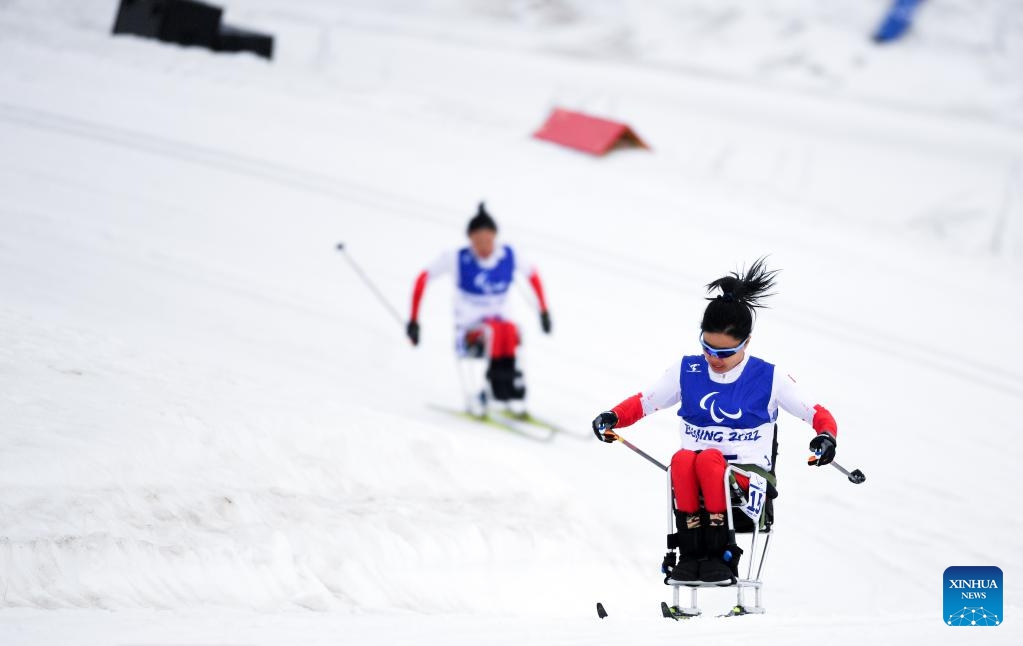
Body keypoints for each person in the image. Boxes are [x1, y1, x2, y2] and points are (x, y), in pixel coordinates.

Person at [591, 258, 839, 586]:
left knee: (709, 460)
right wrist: (613, 417)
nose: (714, 359)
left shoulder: (768, 377)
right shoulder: (688, 371)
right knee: (682, 459)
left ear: (746, 342)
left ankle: (723, 555)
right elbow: (644, 402)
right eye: (707, 348)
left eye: (725, 353)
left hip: (749, 484)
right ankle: (691, 556)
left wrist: (826, 437)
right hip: (694, 477)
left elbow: (816, 413)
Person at [407, 202, 552, 417]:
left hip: (502, 329)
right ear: (470, 240)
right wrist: (414, 320)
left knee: (511, 329)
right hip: (469, 332)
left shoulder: (508, 255)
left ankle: (511, 392)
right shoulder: (457, 258)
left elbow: (533, 274)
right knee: (493, 330)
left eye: (488, 240)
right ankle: (494, 391)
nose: (484, 246)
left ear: (494, 237)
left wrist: (543, 311)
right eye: (478, 240)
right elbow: (423, 278)